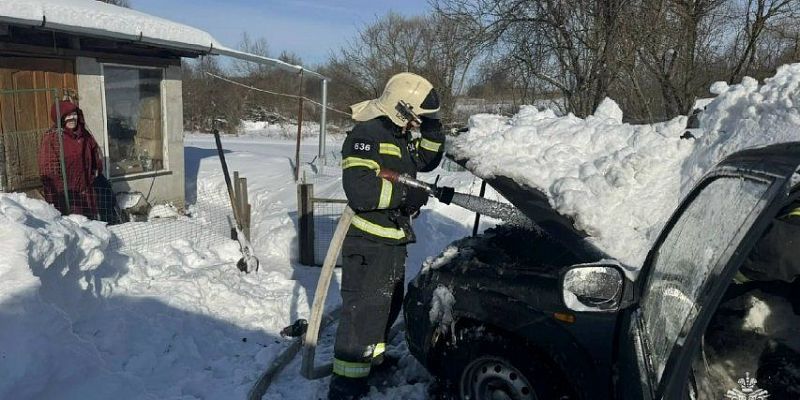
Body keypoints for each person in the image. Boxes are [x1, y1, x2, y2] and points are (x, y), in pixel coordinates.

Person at [329, 72, 445, 399]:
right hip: (369, 241)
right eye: (417, 118)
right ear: (400, 109)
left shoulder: (398, 136)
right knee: (363, 312)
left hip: (392, 238)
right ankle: (346, 384)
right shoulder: (367, 135)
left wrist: (433, 128)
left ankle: (373, 360)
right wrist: (406, 196)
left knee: (386, 304)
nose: (416, 125)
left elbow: (426, 158)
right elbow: (361, 190)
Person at [38, 100, 104, 219]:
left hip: (87, 192)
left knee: (93, 228)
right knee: (75, 228)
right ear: (61, 118)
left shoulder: (84, 135)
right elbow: (49, 170)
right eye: (67, 115)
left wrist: (94, 173)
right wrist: (59, 194)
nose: (72, 118)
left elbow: (96, 157)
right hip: (67, 196)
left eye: (74, 114)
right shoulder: (52, 138)